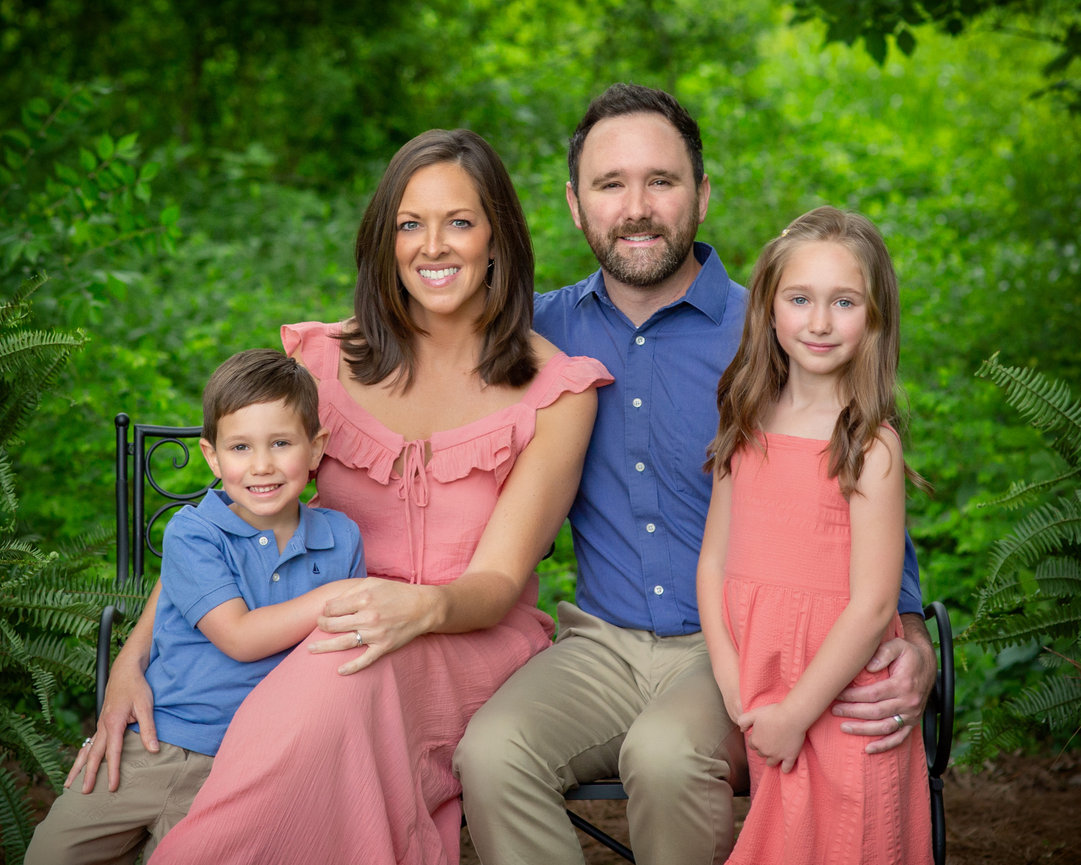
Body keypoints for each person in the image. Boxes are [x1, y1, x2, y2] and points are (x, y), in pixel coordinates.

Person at [454, 83, 937, 865]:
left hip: (737, 649)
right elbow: (415, 346)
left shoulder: (776, 337)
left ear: (702, 195)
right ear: (576, 206)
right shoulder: (533, 333)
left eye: (662, 181)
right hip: (598, 640)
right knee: (492, 750)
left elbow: (854, 510)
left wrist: (910, 641)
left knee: (667, 755)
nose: (636, 206)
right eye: (610, 184)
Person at [115, 128, 606, 864]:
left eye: (459, 222)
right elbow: (227, 525)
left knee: (342, 668)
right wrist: (131, 658)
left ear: (497, 237)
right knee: (334, 665)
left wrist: (417, 607)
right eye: (410, 223)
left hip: (463, 640)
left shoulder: (556, 390)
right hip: (319, 627)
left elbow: (499, 582)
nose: (432, 246)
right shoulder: (320, 361)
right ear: (384, 239)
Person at [27, 348, 367, 864]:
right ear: (212, 456)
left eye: (281, 443)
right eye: (240, 447)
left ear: (315, 448)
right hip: (153, 741)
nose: (262, 465)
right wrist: (334, 596)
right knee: (52, 853)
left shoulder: (341, 540)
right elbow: (238, 635)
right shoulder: (194, 531)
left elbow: (345, 655)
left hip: (244, 765)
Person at [696, 206, 932, 863]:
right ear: (768, 309)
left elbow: (873, 605)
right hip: (760, 683)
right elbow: (712, 561)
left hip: (840, 691)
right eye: (799, 299)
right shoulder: (744, 420)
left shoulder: (869, 445)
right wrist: (730, 679)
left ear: (874, 317)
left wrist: (798, 712)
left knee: (845, 840)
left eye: (844, 301)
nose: (820, 322)